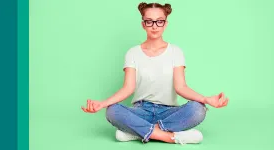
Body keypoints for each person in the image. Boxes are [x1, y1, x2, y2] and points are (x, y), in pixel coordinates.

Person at [81, 2, 229, 145]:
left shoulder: (175, 52)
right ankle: (170, 137)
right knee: (112, 110)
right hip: (141, 111)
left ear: (165, 24)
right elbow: (128, 88)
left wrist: (206, 99)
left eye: (159, 21)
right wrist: (103, 104)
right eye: (149, 21)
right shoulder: (132, 53)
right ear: (143, 24)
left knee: (198, 109)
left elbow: (181, 87)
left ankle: (137, 132)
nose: (154, 26)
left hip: (168, 112)